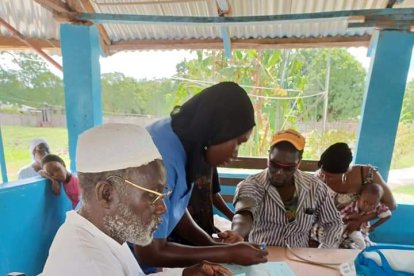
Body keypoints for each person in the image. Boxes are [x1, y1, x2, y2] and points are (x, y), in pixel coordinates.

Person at [41, 123, 232, 276]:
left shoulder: (105, 234)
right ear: (107, 194)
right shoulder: (87, 264)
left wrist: (184, 274)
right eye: (151, 195)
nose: (162, 208)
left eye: (162, 193)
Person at [135, 82, 268, 268]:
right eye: (237, 141)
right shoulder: (161, 159)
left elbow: (175, 208)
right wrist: (226, 253)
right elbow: (150, 252)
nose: (236, 153)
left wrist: (211, 244)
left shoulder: (183, 141)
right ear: (218, 129)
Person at [231, 129, 343, 248]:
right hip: (263, 257)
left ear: (298, 163)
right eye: (274, 164)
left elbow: (333, 222)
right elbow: (244, 214)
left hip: (300, 259)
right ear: (268, 157)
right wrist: (236, 234)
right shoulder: (253, 184)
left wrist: (323, 252)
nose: (279, 172)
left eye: (288, 168)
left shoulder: (315, 188)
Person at [314, 142, 396, 247]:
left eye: (330, 176)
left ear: (345, 172)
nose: (325, 178)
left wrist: (360, 220)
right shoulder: (318, 177)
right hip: (323, 232)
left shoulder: (368, 175)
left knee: (357, 253)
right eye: (323, 173)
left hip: (355, 232)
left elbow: (391, 204)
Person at [340, 183, 391, 249]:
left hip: (361, 233)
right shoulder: (351, 206)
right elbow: (339, 218)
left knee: (364, 246)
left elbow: (388, 214)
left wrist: (373, 226)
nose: (368, 206)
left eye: (372, 204)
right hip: (345, 230)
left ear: (378, 202)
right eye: (365, 202)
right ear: (359, 198)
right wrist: (350, 217)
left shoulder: (378, 206)